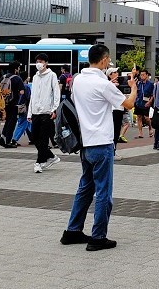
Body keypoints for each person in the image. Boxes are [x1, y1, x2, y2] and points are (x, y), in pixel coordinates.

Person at [61, 44, 137, 251]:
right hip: (102, 143)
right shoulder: (102, 84)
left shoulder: (78, 81)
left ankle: (72, 231)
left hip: (85, 143)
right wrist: (134, 87)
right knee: (104, 192)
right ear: (104, 61)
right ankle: (98, 237)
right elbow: (128, 104)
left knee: (85, 189)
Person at [28, 53, 61, 173]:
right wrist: (29, 112)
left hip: (46, 112)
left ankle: (39, 162)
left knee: (43, 138)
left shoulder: (52, 75)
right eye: (37, 61)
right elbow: (33, 95)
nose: (39, 63)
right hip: (35, 111)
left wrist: (54, 109)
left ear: (46, 63)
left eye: (41, 61)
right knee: (34, 137)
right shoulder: (35, 77)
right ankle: (51, 157)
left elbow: (56, 93)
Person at [0, 61, 25, 148]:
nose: (19, 70)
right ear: (16, 69)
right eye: (18, 68)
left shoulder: (3, 77)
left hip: (4, 102)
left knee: (7, 121)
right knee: (12, 122)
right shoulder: (17, 78)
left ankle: (2, 137)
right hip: (13, 103)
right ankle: (8, 141)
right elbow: (22, 92)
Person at [12, 74, 33, 145]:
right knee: (23, 123)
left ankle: (32, 138)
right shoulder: (26, 87)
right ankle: (14, 139)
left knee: (27, 123)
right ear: (26, 78)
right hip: (25, 107)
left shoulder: (18, 86)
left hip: (18, 107)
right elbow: (29, 98)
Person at [134, 70, 154, 138]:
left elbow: (152, 94)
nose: (142, 76)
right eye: (141, 75)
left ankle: (150, 128)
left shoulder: (150, 84)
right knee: (139, 117)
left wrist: (150, 101)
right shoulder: (139, 83)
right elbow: (136, 91)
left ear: (147, 75)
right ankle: (140, 133)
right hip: (139, 102)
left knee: (146, 118)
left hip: (146, 102)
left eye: (143, 75)